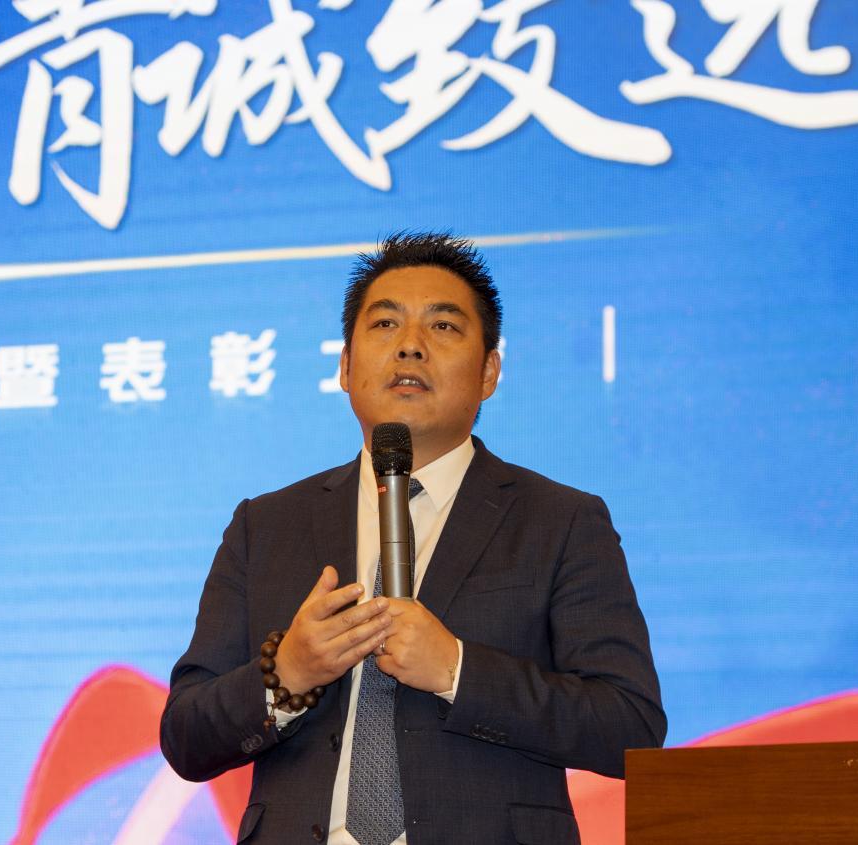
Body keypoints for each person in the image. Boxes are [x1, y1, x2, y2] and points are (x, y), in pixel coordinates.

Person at [160, 232, 666, 844]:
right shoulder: (265, 525)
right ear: (345, 367)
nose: (409, 345)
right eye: (385, 324)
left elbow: (629, 728)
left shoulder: (560, 521)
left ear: (489, 372)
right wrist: (286, 674)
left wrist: (456, 669)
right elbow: (185, 738)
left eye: (443, 326)